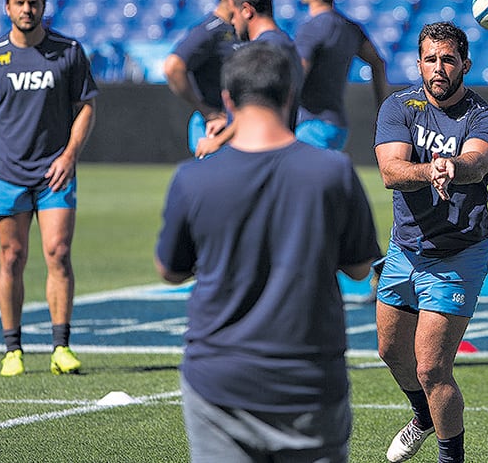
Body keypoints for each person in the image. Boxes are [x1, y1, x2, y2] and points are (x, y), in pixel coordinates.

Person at [155, 41, 381, 462]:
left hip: (218, 382)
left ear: (227, 98)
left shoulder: (192, 179)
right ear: (290, 93)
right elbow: (359, 267)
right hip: (309, 381)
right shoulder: (333, 172)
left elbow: (170, 270)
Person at [373, 21, 488, 463]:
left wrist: (455, 167)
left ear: (465, 64)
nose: (439, 68)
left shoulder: (485, 116)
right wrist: (430, 170)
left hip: (458, 253)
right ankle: (423, 417)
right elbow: (391, 172)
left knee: (432, 368)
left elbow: (478, 160)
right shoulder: (399, 106)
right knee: (391, 352)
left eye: (448, 59)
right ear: (419, 63)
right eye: (431, 59)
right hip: (405, 248)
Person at [0, 0, 99, 376]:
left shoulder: (68, 51)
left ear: (43, 5)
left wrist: (69, 155)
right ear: (7, 7)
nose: (27, 10)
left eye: (33, 3)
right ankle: (13, 349)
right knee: (11, 257)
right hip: (8, 174)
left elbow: (86, 106)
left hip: (55, 173)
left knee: (58, 253)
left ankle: (60, 347)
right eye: (19, 3)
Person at [193, 0, 303, 157]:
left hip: (260, 155)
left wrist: (216, 142)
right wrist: (227, 123)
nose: (232, 22)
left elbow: (257, 110)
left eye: (233, 15)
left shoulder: (265, 51)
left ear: (246, 11)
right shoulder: (282, 43)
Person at [295, 0, 389, 151]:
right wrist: (382, 113)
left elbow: (297, 73)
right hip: (337, 127)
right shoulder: (350, 29)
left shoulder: (311, 28)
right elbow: (378, 63)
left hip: (310, 125)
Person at [163, 0, 248, 157]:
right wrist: (205, 110)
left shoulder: (238, 29)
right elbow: (173, 67)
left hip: (236, 124)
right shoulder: (209, 31)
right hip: (213, 125)